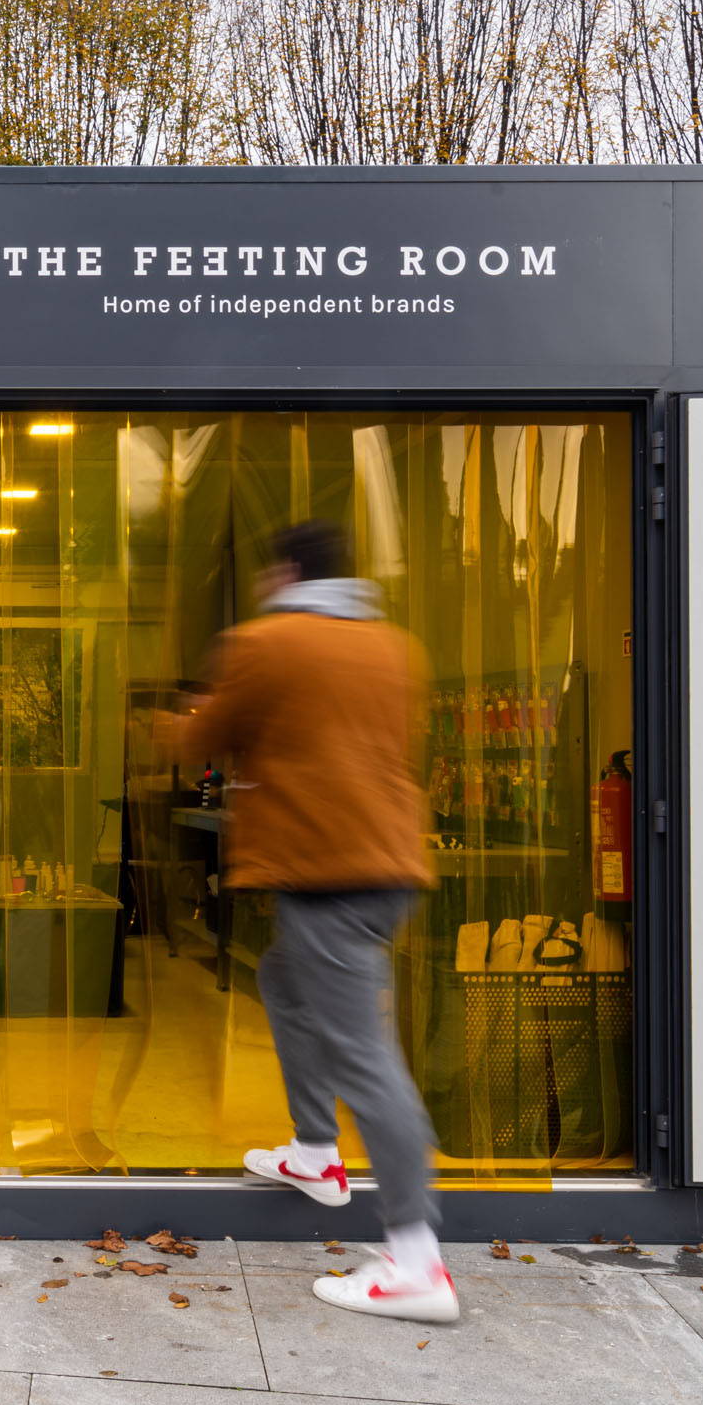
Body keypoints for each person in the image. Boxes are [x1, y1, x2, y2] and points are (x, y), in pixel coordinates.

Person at [180, 520, 456, 1323]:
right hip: (383, 862)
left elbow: (205, 737)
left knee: (367, 1060)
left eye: (269, 573)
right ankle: (314, 1154)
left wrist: (178, 717)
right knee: (280, 978)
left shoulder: (269, 643)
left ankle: (416, 1263)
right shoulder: (395, 647)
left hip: (330, 873)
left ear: (287, 570)